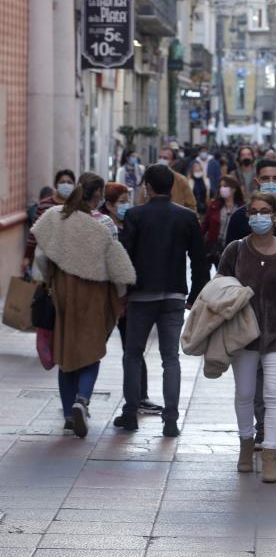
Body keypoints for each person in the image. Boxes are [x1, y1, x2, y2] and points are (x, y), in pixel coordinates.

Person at [30, 173, 136, 438]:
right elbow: (115, 260)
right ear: (99, 194)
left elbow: (41, 258)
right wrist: (121, 293)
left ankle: (68, 414)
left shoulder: (56, 216)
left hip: (63, 291)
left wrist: (45, 281)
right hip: (95, 292)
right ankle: (83, 400)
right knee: (92, 349)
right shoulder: (105, 224)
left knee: (65, 351)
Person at [218, 192, 276, 482]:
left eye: (264, 211)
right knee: (245, 393)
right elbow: (219, 289)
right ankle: (247, 445)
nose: (259, 216)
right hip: (242, 335)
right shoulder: (236, 250)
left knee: (273, 393)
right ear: (248, 217)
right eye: (253, 212)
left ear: (275, 216)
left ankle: (270, 453)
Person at [116, 164, 209, 437]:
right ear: (171, 186)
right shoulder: (186, 217)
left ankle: (131, 413)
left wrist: (122, 294)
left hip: (141, 296)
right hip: (174, 295)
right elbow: (199, 260)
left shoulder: (135, 215)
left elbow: (125, 258)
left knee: (133, 354)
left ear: (147, 186)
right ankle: (170, 419)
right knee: (170, 358)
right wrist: (195, 294)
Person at [100, 183, 164, 415]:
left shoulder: (134, 221)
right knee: (95, 344)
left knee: (133, 348)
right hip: (108, 297)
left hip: (130, 296)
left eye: (127, 199)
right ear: (109, 204)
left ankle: (140, 396)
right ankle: (81, 394)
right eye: (121, 200)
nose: (126, 204)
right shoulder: (102, 225)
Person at [225, 160, 276, 249]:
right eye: (265, 178)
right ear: (256, 182)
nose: (271, 183)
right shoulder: (239, 216)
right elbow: (230, 255)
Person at [22, 169, 76, 274]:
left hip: (70, 259)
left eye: (69, 182)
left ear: (74, 185)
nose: (66, 185)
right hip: (46, 258)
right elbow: (34, 232)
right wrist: (27, 257)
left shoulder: (76, 206)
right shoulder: (44, 205)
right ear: (55, 185)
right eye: (62, 182)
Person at [202, 175, 245, 271]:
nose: (222, 189)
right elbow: (205, 225)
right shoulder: (214, 205)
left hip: (234, 248)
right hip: (215, 248)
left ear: (234, 189)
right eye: (221, 186)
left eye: (225, 186)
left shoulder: (242, 207)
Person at [135, 147, 197, 212]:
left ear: (173, 162)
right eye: (160, 157)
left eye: (165, 158)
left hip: (175, 218)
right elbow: (141, 202)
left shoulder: (181, 180)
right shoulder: (149, 177)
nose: (161, 160)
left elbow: (191, 205)